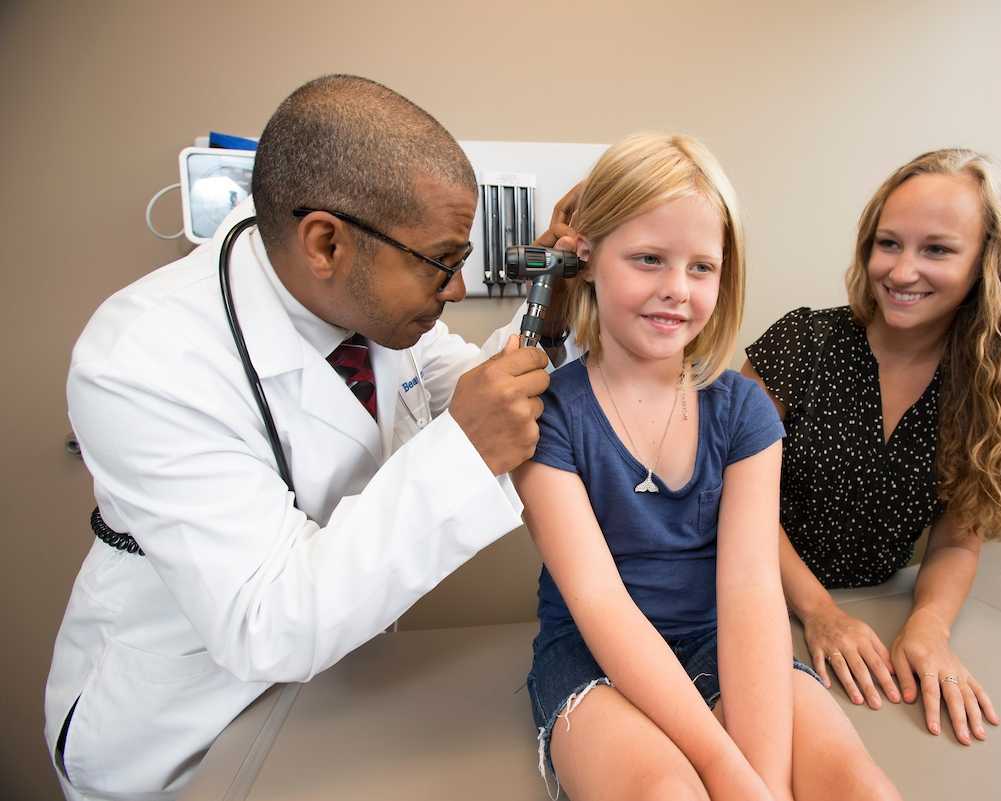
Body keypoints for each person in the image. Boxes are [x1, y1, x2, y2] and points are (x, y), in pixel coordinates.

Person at [45, 75, 550, 800]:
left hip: (337, 691)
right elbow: (264, 619)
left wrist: (550, 302)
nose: (458, 290)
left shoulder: (374, 308)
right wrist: (466, 449)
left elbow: (473, 387)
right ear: (326, 242)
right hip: (179, 731)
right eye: (440, 261)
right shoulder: (143, 357)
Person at [515, 133, 899, 801]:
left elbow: (751, 590)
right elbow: (601, 604)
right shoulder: (547, 413)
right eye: (648, 259)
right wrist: (725, 771)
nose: (676, 289)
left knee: (863, 790)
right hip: (597, 657)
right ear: (589, 257)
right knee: (672, 793)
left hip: (724, 642)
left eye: (701, 267)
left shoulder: (743, 409)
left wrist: (766, 783)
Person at [741, 148, 1001, 747]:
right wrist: (819, 612)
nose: (902, 272)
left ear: (987, 264)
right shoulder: (801, 342)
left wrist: (929, 626)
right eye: (889, 244)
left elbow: (960, 535)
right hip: (749, 595)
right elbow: (731, 496)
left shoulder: (985, 381)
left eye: (936, 249)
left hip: (876, 608)